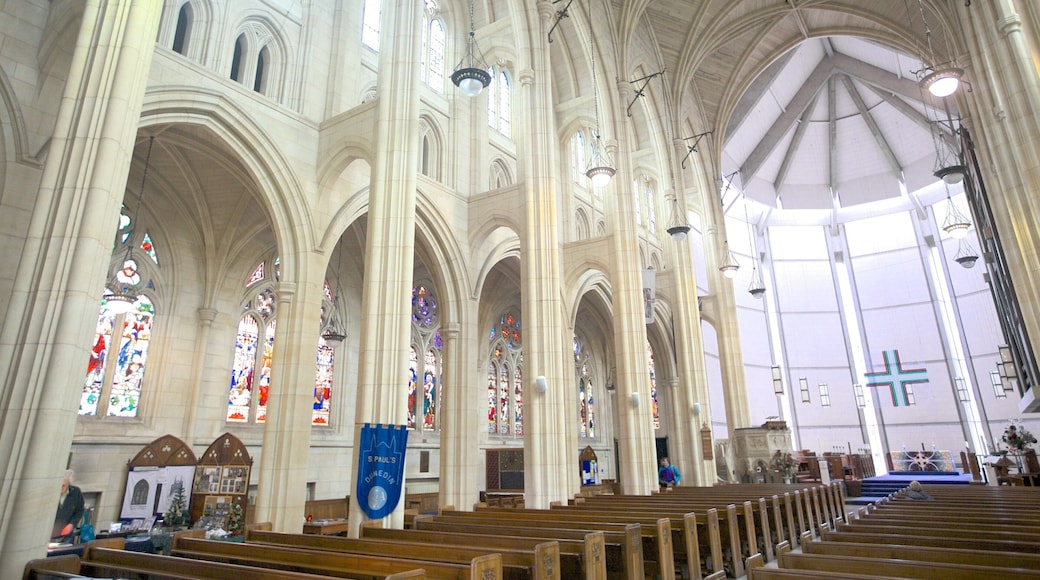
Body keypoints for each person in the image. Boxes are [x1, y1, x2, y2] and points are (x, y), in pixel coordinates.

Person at [52, 470, 85, 543]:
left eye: (63, 486)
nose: (60, 488)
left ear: (69, 483)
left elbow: (80, 510)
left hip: (66, 536)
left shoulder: (76, 492)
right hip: (50, 535)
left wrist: (72, 524)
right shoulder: (50, 492)